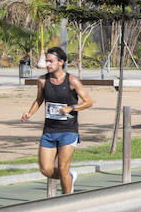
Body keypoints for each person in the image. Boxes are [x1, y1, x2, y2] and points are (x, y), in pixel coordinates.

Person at [21, 47, 94, 194]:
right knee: (46, 170)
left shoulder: (72, 81)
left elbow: (88, 102)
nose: (47, 64)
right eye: (46, 61)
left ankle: (67, 199)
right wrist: (30, 113)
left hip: (68, 130)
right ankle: (70, 177)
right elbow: (39, 100)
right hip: (49, 131)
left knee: (62, 168)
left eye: (50, 61)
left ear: (61, 62)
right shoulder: (42, 80)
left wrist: (71, 108)